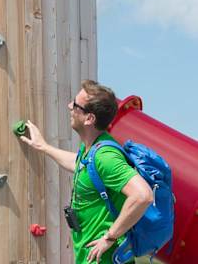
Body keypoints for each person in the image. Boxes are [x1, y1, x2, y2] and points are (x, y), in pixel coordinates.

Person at [18, 80, 154, 263]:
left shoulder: (105, 156)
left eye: (75, 105)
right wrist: (44, 147)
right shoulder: (92, 149)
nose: (69, 106)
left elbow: (143, 195)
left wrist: (110, 237)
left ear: (89, 118)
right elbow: (80, 166)